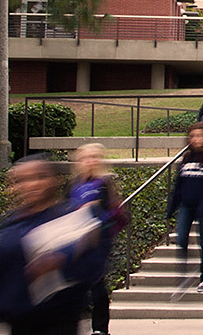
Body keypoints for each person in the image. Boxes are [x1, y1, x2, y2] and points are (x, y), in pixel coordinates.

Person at [0, 159, 108, 335]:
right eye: (23, 180)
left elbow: (94, 266)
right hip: (18, 323)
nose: (32, 184)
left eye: (40, 177)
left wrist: (63, 262)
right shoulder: (9, 227)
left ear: (53, 180)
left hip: (59, 322)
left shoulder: (72, 219)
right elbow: (0, 276)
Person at [70, 144, 125, 335]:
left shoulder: (103, 183)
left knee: (97, 284)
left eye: (95, 157)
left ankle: (100, 329)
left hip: (99, 241)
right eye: (86, 157)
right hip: (77, 240)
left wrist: (95, 212)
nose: (91, 161)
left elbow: (116, 213)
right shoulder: (74, 186)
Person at [165, 123, 203, 292]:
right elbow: (179, 184)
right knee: (181, 239)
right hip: (186, 205)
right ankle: (183, 272)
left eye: (201, 136)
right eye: (194, 136)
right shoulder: (187, 157)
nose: (197, 139)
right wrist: (171, 207)